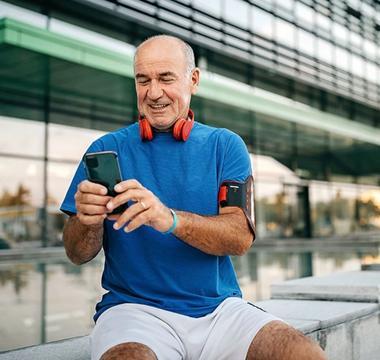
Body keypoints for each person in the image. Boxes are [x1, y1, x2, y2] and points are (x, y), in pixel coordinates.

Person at [61, 35, 326, 360]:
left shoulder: (225, 146)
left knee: (303, 354)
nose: (153, 92)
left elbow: (239, 238)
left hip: (220, 311)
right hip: (133, 313)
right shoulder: (105, 149)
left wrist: (168, 219)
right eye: (143, 80)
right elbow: (77, 254)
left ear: (194, 80)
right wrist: (87, 222)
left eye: (165, 78)